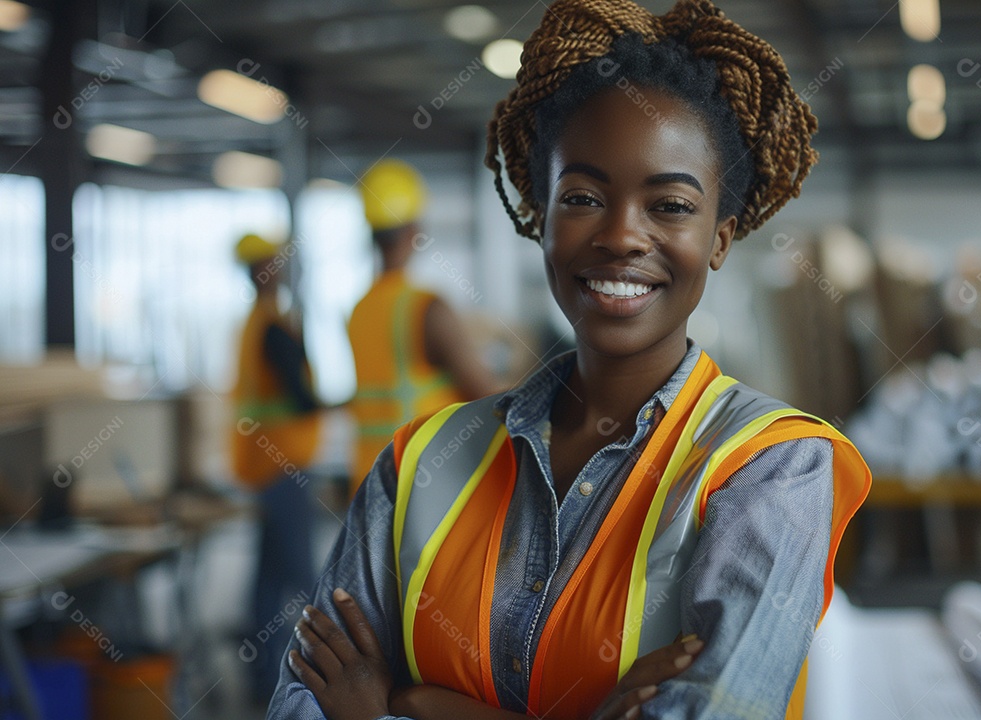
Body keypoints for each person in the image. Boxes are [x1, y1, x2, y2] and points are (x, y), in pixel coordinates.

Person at [269, 1, 872, 718]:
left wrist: (406, 704)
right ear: (541, 216)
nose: (621, 235)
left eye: (671, 205)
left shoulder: (774, 469)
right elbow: (299, 704)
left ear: (720, 236)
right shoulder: (418, 463)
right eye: (584, 196)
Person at [348, 159, 499, 492]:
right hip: (424, 488)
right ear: (415, 231)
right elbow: (486, 396)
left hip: (368, 486)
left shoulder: (359, 310)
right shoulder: (427, 309)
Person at [230, 233, 322, 704]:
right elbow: (302, 398)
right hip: (283, 468)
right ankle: (319, 686)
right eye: (274, 262)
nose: (281, 269)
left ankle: (260, 683)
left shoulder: (254, 323)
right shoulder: (272, 327)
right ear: (261, 270)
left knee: (267, 582)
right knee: (307, 580)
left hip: (261, 468)